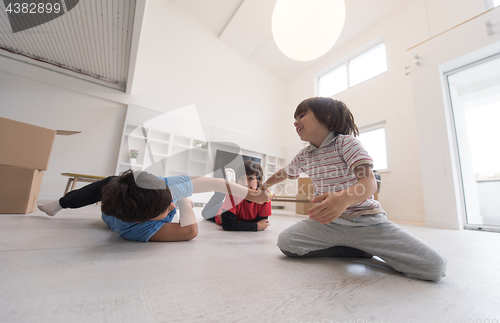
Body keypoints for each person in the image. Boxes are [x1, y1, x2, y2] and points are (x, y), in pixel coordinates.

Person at [260, 97, 447, 281]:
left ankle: (360, 245)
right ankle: (350, 248)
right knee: (286, 243)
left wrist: (344, 198)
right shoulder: (304, 155)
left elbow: (369, 182)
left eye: (301, 115)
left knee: (434, 267)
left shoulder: (346, 143)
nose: (296, 121)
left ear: (328, 117)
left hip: (367, 223)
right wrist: (265, 186)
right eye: (295, 117)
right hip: (327, 224)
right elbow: (284, 173)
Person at [38, 169, 270, 242]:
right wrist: (186, 204)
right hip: (110, 209)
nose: (171, 207)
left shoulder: (167, 189)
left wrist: (254, 196)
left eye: (170, 201)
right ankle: (63, 203)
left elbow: (217, 182)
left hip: (152, 187)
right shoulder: (134, 230)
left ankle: (61, 203)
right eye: (167, 210)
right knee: (108, 183)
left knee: (113, 180)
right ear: (144, 220)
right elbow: (189, 231)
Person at [202, 160, 272, 231]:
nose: (246, 183)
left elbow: (262, 223)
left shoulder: (264, 197)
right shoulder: (233, 194)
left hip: (232, 207)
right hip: (218, 211)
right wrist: (257, 226)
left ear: (259, 181)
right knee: (205, 213)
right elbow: (228, 224)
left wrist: (256, 225)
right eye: (241, 178)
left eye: (250, 178)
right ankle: (223, 188)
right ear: (237, 180)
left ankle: (226, 187)